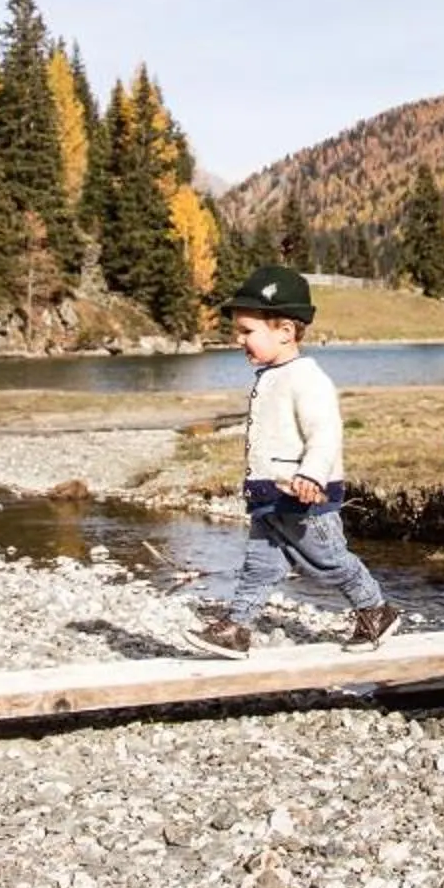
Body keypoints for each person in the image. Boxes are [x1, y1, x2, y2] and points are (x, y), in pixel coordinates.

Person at [188, 263, 398, 657]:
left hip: (305, 498)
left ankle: (376, 610)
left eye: (247, 331)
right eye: (239, 331)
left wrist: (312, 475)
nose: (239, 339)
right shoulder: (271, 374)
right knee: (259, 565)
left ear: (285, 331)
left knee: (331, 560)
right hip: (271, 497)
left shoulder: (307, 378)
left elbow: (326, 433)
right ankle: (237, 628)